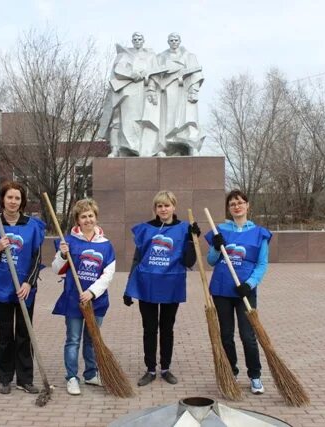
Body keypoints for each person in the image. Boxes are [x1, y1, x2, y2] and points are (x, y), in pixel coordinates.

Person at [123, 190, 199, 386]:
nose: (163, 209)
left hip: (171, 285)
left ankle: (165, 368)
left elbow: (189, 261)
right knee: (149, 329)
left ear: (174, 206)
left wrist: (192, 240)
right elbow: (137, 258)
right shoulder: (145, 229)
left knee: (167, 328)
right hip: (146, 284)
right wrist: (129, 286)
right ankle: (150, 369)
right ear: (155, 208)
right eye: (159, 206)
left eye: (167, 205)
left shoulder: (184, 228)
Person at [0, 181, 45, 395]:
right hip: (2, 288)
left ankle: (25, 379)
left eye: (17, 198)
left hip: (24, 289)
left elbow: (36, 257)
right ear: (3, 200)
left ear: (22, 201)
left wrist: (29, 283)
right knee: (5, 333)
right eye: (9, 197)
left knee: (25, 333)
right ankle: (5, 377)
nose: (13, 201)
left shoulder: (32, 226)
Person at [204, 189, 272, 395]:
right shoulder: (220, 230)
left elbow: (262, 264)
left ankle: (255, 376)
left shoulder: (260, 232)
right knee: (225, 335)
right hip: (221, 289)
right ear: (229, 208)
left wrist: (250, 284)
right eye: (233, 203)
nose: (237, 206)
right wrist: (216, 247)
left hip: (244, 291)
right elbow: (211, 261)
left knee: (248, 335)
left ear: (247, 205)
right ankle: (231, 372)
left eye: (240, 202)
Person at [51, 199, 116, 396]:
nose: (87, 219)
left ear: (95, 218)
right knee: (73, 339)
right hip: (74, 300)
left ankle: (91, 373)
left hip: (96, 301)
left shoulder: (106, 245)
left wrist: (92, 292)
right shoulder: (69, 242)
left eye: (90, 216)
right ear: (77, 220)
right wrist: (62, 256)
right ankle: (72, 377)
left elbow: (108, 274)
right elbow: (56, 269)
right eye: (83, 216)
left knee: (92, 340)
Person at [99, 32, 161, 157]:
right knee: (120, 120)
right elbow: (117, 70)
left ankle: (147, 148)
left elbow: (156, 74)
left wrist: (151, 86)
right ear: (132, 40)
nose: (137, 41)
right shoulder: (124, 54)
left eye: (140, 39)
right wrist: (132, 74)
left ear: (143, 40)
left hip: (144, 91)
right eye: (135, 39)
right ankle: (117, 149)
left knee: (144, 120)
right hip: (126, 92)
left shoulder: (150, 56)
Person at [156, 32, 204, 156]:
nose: (174, 42)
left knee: (188, 119)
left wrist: (194, 90)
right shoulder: (161, 57)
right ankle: (166, 147)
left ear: (180, 41)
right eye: (171, 40)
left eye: (176, 40)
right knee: (167, 120)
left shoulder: (189, 56)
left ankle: (192, 146)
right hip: (167, 92)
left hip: (184, 92)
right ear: (168, 42)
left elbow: (196, 74)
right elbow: (155, 75)